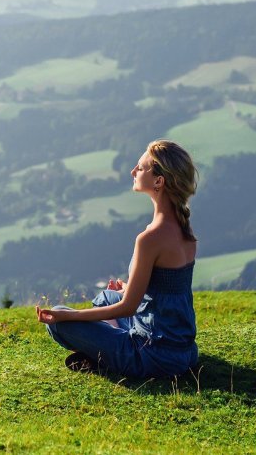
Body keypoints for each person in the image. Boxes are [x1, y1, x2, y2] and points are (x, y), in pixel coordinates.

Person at [36, 139, 199, 379]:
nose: (133, 171)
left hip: (152, 357)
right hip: (184, 353)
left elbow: (128, 307)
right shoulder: (184, 230)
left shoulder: (150, 238)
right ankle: (105, 353)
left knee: (57, 321)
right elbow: (168, 294)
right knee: (106, 297)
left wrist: (68, 315)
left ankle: (108, 358)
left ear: (158, 181)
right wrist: (128, 287)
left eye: (140, 168)